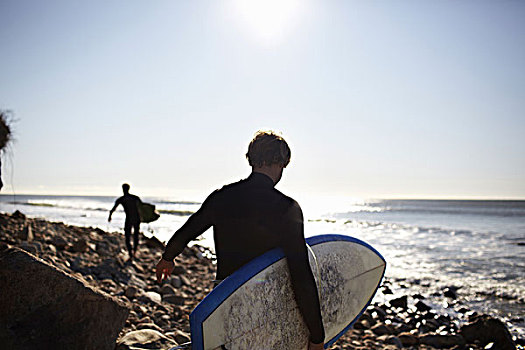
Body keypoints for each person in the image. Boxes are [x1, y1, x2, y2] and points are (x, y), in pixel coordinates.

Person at [156, 131, 325, 350]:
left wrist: (167, 257)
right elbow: (300, 274)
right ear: (280, 162)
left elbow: (189, 229)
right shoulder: (287, 208)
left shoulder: (222, 196)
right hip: (266, 308)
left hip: (224, 303)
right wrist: (317, 335)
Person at [108, 183, 142, 260]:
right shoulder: (135, 198)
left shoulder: (121, 199)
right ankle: (134, 251)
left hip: (129, 219)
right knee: (135, 235)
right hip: (137, 218)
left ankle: (131, 253)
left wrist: (110, 217)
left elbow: (113, 209)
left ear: (123, 189)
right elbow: (143, 208)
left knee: (128, 236)